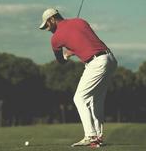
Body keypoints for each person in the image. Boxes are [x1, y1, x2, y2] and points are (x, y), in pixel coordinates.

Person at [39, 8, 117, 148]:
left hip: (96, 63)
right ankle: (97, 137)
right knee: (95, 100)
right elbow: (88, 41)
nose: (47, 29)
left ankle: (90, 136)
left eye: (47, 25)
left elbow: (61, 61)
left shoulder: (55, 39)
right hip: (110, 59)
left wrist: (66, 55)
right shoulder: (80, 21)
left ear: (52, 19)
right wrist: (74, 49)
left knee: (79, 98)